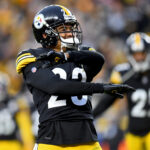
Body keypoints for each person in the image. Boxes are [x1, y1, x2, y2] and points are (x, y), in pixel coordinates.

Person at [16, 5, 134, 150]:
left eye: (70, 27)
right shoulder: (32, 57)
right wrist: (100, 88)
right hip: (52, 141)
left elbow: (99, 59)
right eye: (62, 29)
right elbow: (56, 86)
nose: (69, 32)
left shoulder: (82, 54)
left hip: (87, 139)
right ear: (45, 34)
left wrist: (67, 55)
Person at [93, 32, 150, 150]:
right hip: (133, 131)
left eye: (142, 53)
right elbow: (107, 101)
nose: (139, 57)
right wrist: (91, 115)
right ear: (130, 54)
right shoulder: (124, 74)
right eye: (136, 54)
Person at [0, 71, 34, 150]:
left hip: (13, 144)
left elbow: (24, 126)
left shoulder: (14, 103)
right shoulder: (15, 103)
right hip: (13, 145)